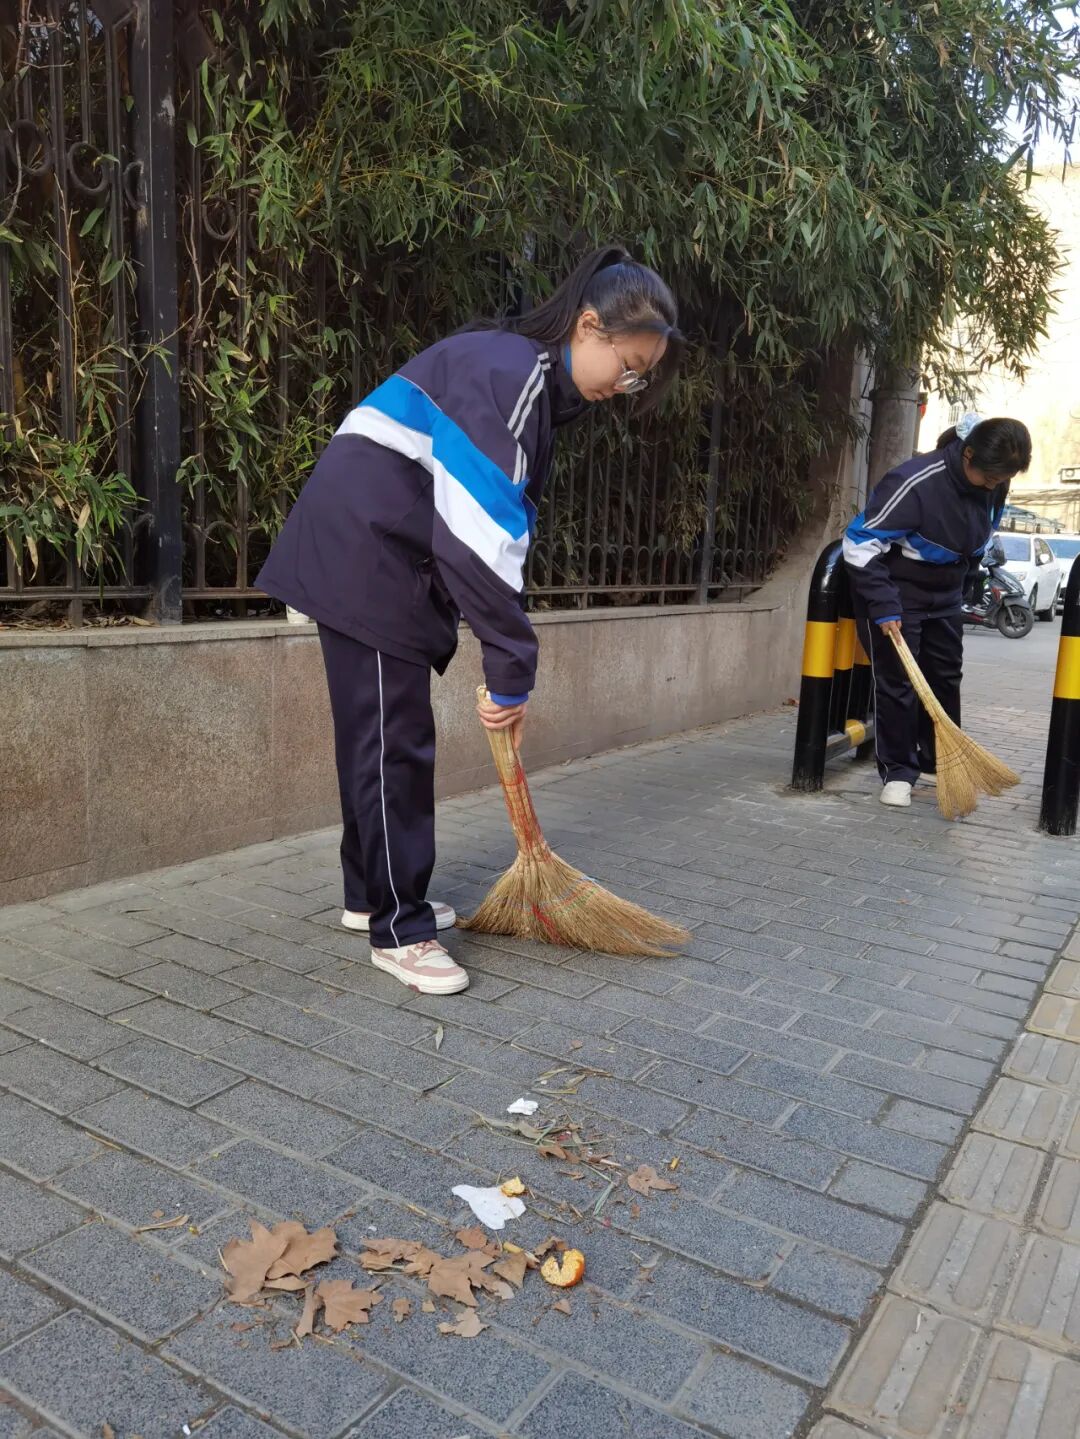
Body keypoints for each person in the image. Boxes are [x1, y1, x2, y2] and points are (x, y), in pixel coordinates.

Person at [256, 246, 683, 992]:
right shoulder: (512, 377)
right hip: (366, 552)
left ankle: (370, 897)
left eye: (639, 376)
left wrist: (507, 659)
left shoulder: (522, 376)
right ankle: (400, 930)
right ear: (589, 326)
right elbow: (479, 537)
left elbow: (491, 520)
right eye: (629, 365)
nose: (627, 385)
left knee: (375, 735)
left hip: (368, 545)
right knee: (394, 742)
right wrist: (511, 669)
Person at [843, 413, 1031, 808]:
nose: (994, 486)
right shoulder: (915, 481)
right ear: (968, 454)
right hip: (898, 592)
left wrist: (967, 581)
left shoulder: (994, 484)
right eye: (990, 477)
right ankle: (898, 772)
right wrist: (884, 605)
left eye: (1001, 480)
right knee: (899, 683)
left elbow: (980, 536)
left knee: (945, 678)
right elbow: (859, 543)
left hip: (945, 595)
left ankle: (936, 762)